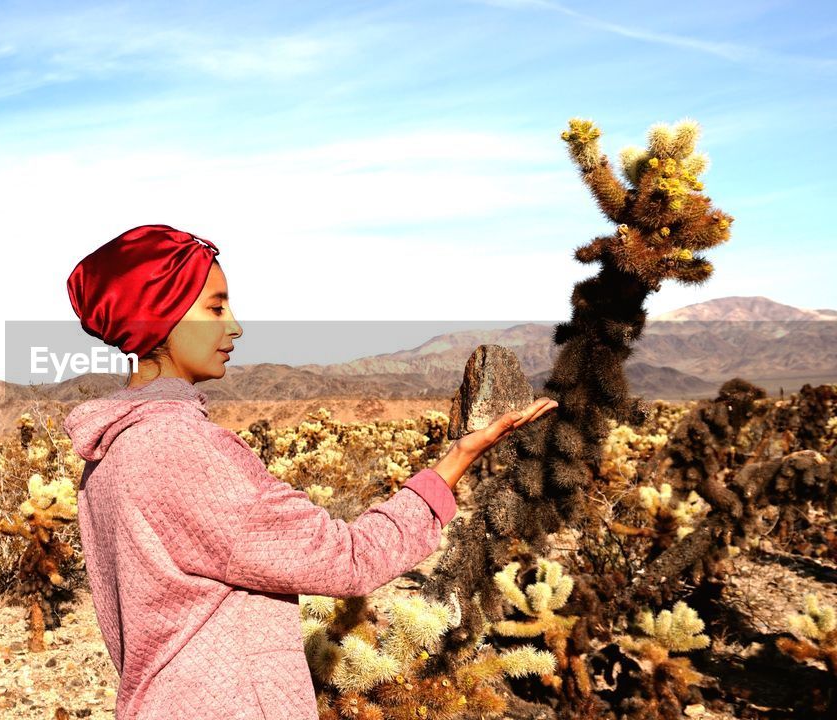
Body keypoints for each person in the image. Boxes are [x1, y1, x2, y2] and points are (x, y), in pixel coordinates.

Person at [62, 224, 558, 720]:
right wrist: (457, 461)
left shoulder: (109, 451)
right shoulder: (180, 447)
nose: (234, 326)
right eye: (215, 308)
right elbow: (347, 558)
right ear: (161, 317)